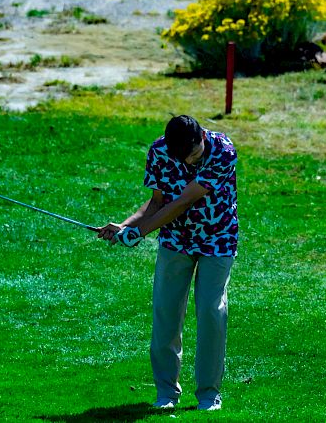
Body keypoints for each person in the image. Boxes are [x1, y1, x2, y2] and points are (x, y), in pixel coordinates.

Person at [97, 115, 238, 411]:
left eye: (194, 155)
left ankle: (209, 395)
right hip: (176, 241)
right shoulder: (159, 151)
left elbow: (184, 200)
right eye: (183, 158)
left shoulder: (223, 150)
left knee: (212, 312)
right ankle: (166, 394)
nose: (189, 162)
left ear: (201, 136)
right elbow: (157, 202)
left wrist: (139, 233)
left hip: (218, 239)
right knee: (166, 314)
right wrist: (124, 226)